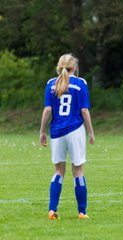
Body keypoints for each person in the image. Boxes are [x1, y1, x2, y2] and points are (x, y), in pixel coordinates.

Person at [39, 53, 95, 220]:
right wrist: (91, 132)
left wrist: (42, 131)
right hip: (75, 130)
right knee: (78, 170)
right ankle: (82, 212)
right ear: (74, 67)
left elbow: (47, 110)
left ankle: (52, 210)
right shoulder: (81, 83)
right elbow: (84, 111)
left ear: (59, 67)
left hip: (56, 132)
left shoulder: (50, 84)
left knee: (58, 171)